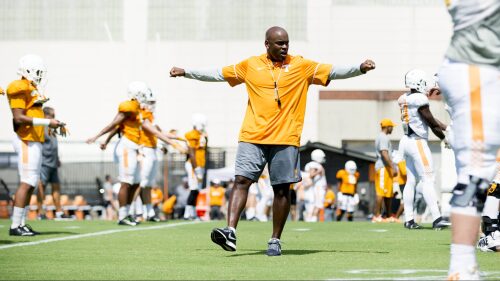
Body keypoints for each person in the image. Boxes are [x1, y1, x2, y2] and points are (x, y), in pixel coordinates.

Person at [170, 26, 375, 255]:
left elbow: (333, 71)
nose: (284, 47)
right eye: (279, 43)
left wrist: (359, 69)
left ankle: (275, 240)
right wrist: (186, 71)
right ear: (267, 44)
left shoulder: (301, 65)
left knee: (281, 190)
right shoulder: (250, 65)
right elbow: (218, 73)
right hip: (252, 136)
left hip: (286, 138)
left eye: (287, 43)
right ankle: (230, 231)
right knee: (241, 181)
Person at [435, 1, 499, 278]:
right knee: (477, 173)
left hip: (476, 65)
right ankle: (461, 266)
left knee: (480, 171)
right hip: (477, 66)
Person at [87, 81, 174, 226]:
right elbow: (114, 125)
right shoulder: (129, 106)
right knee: (126, 182)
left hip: (135, 147)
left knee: (136, 182)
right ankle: (122, 216)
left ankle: (127, 213)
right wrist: (97, 137)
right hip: (127, 147)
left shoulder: (139, 109)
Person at [6, 54, 65, 236]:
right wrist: (48, 123)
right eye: (37, 71)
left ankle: (22, 223)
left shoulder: (31, 88)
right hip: (25, 139)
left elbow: (34, 114)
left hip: (35, 139)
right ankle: (15, 225)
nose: (40, 75)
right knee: (27, 181)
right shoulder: (18, 86)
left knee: (32, 182)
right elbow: (18, 117)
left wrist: (49, 127)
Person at [397, 69, 451, 230]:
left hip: (405, 141)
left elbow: (428, 118)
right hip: (417, 142)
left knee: (411, 181)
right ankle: (437, 218)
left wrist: (446, 127)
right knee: (428, 179)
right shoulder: (419, 99)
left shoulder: (404, 98)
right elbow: (430, 122)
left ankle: (409, 219)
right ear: (419, 82)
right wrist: (444, 138)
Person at [36, 106, 69, 220]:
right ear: (46, 116)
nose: (55, 118)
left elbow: (53, 147)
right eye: (53, 116)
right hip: (44, 164)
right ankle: (41, 212)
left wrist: (57, 159)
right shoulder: (41, 128)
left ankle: (59, 212)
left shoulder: (51, 129)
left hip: (53, 164)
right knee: (41, 188)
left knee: (56, 188)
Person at [183, 113, 208, 220]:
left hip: (200, 165)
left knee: (196, 190)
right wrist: (196, 168)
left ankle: (192, 213)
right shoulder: (192, 135)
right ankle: (187, 214)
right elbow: (191, 152)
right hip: (194, 165)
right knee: (193, 189)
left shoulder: (201, 135)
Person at [373, 118, 397, 223]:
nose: (392, 129)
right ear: (387, 127)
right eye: (392, 127)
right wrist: (393, 166)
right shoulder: (383, 137)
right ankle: (377, 216)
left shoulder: (382, 137)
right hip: (383, 167)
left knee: (388, 193)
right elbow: (384, 153)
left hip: (386, 168)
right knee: (381, 192)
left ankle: (387, 216)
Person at [303, 149, 327, 222]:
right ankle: (312, 219)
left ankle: (312, 218)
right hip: (318, 188)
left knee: (318, 205)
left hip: (318, 187)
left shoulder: (316, 164)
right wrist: (319, 171)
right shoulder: (314, 165)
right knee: (317, 204)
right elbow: (311, 175)